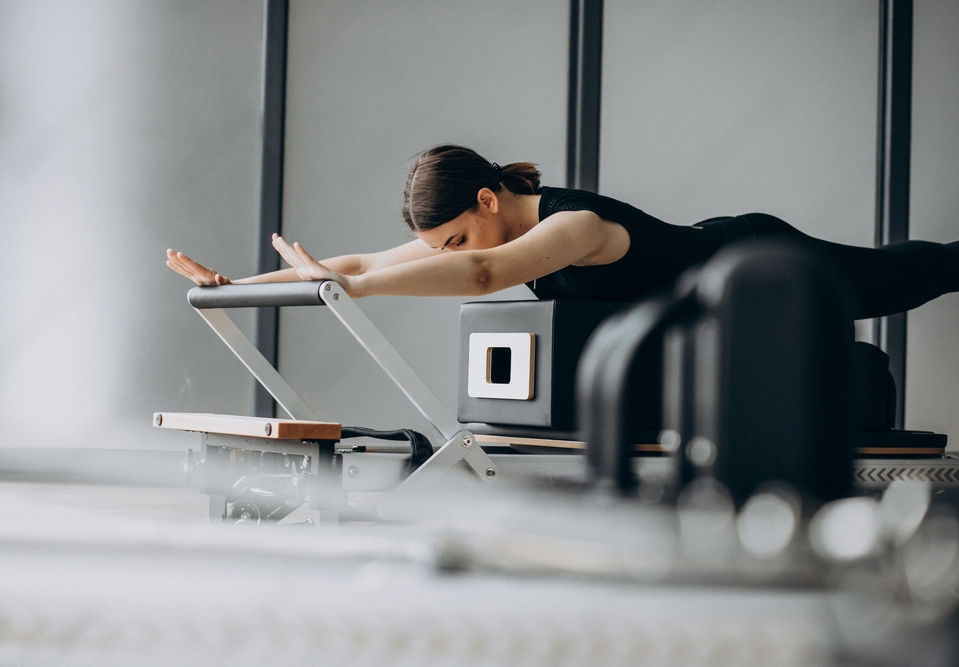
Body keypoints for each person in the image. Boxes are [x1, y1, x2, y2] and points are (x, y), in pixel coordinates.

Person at [166, 144, 959, 319]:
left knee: (905, 277)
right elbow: (357, 258)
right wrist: (235, 285)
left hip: (761, 262)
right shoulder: (480, 230)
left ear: (485, 200)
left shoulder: (572, 226)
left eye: (449, 237)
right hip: (722, 293)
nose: (445, 255)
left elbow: (481, 276)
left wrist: (351, 288)